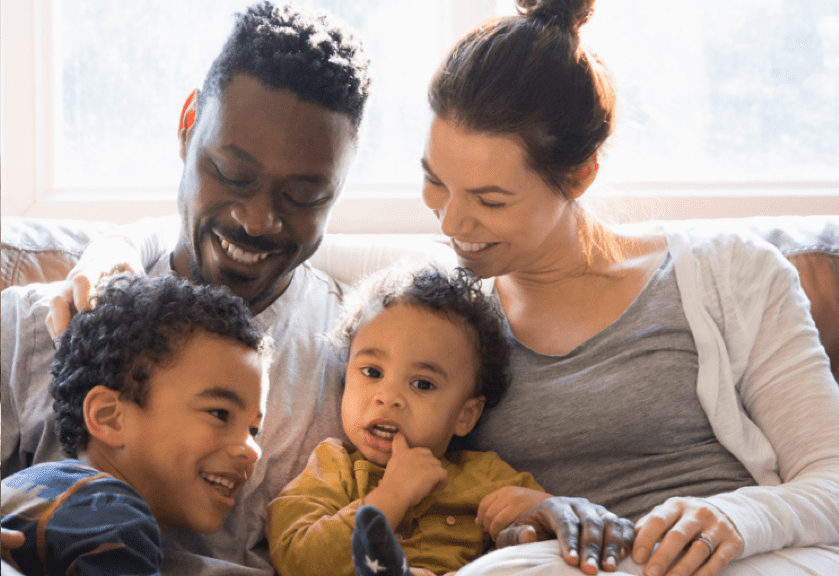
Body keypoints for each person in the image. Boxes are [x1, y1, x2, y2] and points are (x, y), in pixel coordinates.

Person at [34, 0, 839, 574]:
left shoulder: (729, 274)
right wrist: (107, 256)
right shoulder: (430, 297)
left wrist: (739, 520)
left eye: (490, 199)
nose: (451, 225)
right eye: (434, 184)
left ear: (580, 174)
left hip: (747, 560)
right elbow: (257, 244)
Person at [0, 2, 372, 575]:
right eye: (232, 173)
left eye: (303, 196)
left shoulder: (358, 372)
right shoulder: (43, 322)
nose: (256, 219)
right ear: (188, 124)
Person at [266, 263, 549, 576]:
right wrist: (390, 496)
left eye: (422, 384)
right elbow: (298, 561)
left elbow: (562, 527)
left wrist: (538, 509)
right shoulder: (332, 467)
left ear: (465, 416)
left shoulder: (486, 477)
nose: (388, 398)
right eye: (372, 372)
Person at [1, 274, 270, 576]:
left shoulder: (34, 484)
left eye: (254, 430)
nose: (252, 450)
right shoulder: (114, 516)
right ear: (110, 417)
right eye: (220, 414)